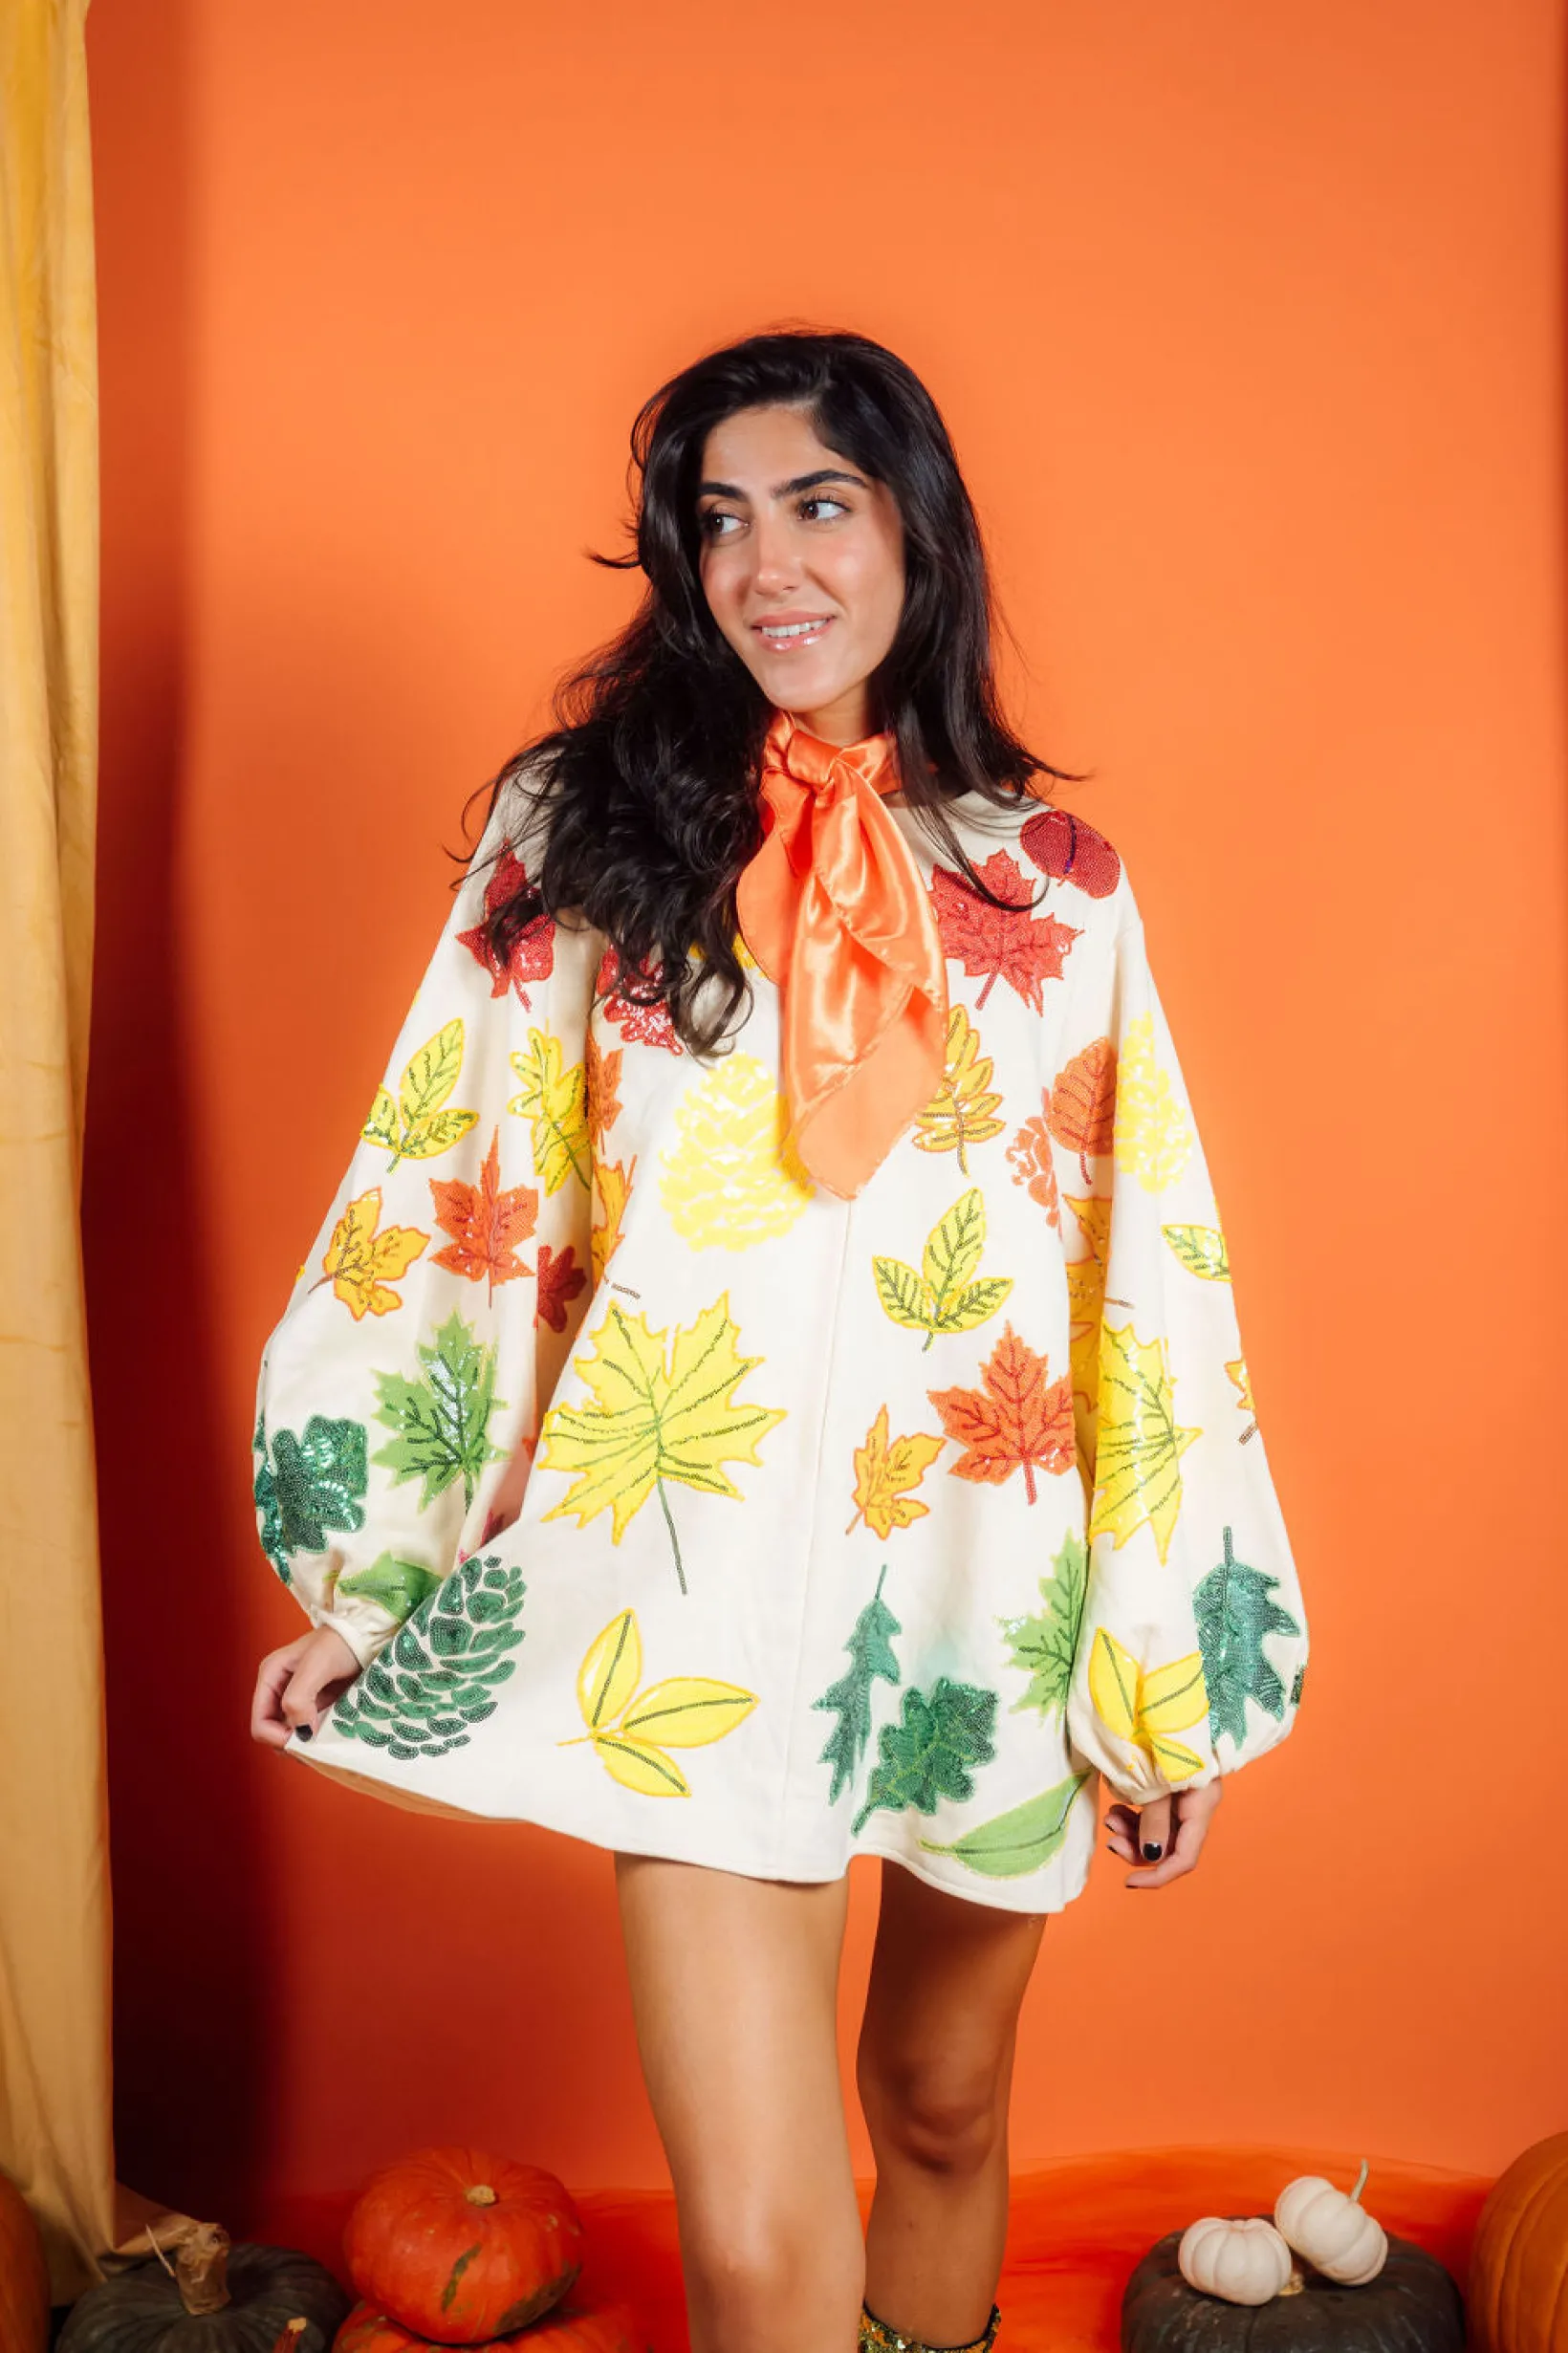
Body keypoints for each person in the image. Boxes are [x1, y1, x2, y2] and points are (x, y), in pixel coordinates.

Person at [249, 329, 1308, 2353]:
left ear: (917, 530)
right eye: (719, 521)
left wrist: (1161, 1671)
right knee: (751, 2242)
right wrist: (380, 1573)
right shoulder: (579, 838)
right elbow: (461, 1185)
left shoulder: (1060, 897)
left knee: (942, 2103)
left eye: (817, 504)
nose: (767, 567)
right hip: (697, 1586)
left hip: (982, 1579)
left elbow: (1147, 1282)